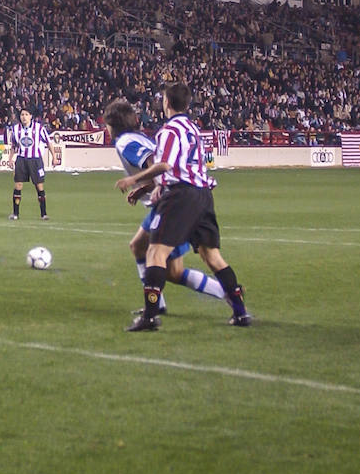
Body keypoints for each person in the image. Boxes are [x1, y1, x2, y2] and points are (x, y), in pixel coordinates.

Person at [115, 82, 252, 331]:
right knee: (213, 257)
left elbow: (165, 165)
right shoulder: (193, 129)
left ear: (167, 103)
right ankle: (241, 313)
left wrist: (133, 179)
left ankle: (150, 316)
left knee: (155, 253)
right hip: (203, 195)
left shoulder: (169, 131)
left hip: (180, 197)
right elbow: (185, 167)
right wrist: (149, 188)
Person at [102, 98, 226, 313]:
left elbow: (155, 165)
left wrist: (136, 182)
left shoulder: (125, 142)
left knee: (172, 270)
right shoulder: (138, 136)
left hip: (172, 201)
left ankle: (226, 291)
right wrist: (143, 188)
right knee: (141, 248)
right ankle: (158, 304)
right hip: (172, 197)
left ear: (113, 124)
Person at [7, 107, 52, 221]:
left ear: (31, 116)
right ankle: (15, 213)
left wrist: (55, 157)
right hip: (21, 159)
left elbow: (48, 142)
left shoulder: (39, 128)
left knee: (39, 186)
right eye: (22, 114)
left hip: (35, 160)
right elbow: (14, 146)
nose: (24, 117)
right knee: (18, 185)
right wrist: (10, 158)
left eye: (26, 114)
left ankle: (44, 214)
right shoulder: (15, 129)